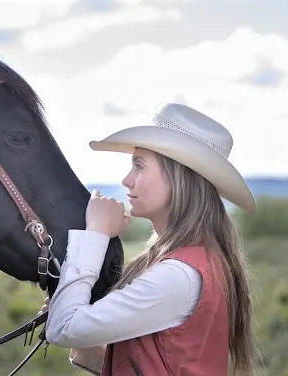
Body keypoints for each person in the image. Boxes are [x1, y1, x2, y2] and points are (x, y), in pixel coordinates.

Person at [40, 102, 257, 375]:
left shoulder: (179, 276)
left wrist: (95, 232)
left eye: (139, 166)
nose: (126, 180)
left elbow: (63, 328)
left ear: (179, 178)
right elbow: (157, 361)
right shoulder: (199, 262)